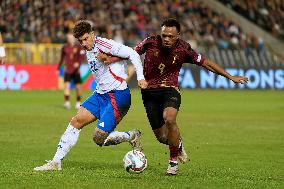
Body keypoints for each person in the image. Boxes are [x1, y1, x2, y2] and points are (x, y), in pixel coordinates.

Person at [98, 18, 248, 175]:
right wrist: (111, 58)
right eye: (164, 35)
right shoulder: (150, 42)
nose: (166, 39)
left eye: (170, 36)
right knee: (162, 137)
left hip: (170, 89)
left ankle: (173, 163)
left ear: (178, 36)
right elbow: (130, 53)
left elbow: (206, 63)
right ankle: (179, 144)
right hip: (149, 93)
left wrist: (230, 76)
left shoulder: (184, 49)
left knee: (169, 118)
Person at [34, 20, 148, 171]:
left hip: (117, 95)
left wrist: (140, 77)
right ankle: (56, 162)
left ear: (93, 34)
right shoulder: (88, 49)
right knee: (76, 121)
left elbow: (132, 53)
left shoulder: (105, 44)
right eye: (80, 40)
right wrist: (111, 59)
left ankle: (131, 136)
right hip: (100, 95)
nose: (83, 43)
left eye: (86, 38)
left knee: (98, 138)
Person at [58, 33, 85, 109]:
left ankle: (78, 102)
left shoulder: (79, 47)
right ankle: (67, 102)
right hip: (68, 69)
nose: (70, 39)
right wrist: (58, 68)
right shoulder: (65, 47)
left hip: (76, 70)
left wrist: (78, 64)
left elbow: (82, 57)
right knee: (66, 86)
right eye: (68, 38)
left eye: (71, 37)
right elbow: (61, 58)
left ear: (74, 38)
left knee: (78, 87)